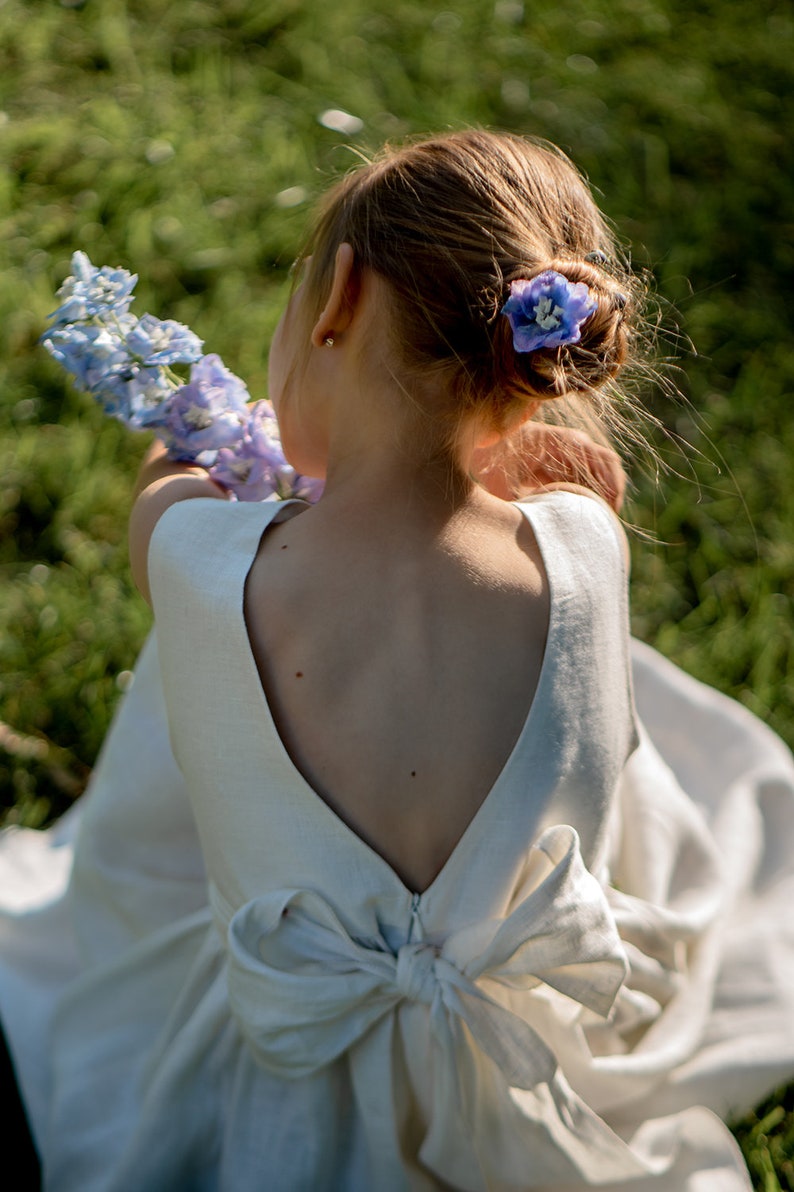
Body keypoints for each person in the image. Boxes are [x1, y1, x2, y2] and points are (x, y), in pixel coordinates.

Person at [1, 129, 793, 1191]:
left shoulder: (201, 566)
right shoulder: (581, 552)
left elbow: (169, 490)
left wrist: (181, 433)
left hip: (286, 1083)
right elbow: (566, 506)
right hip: (519, 1076)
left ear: (336, 297)